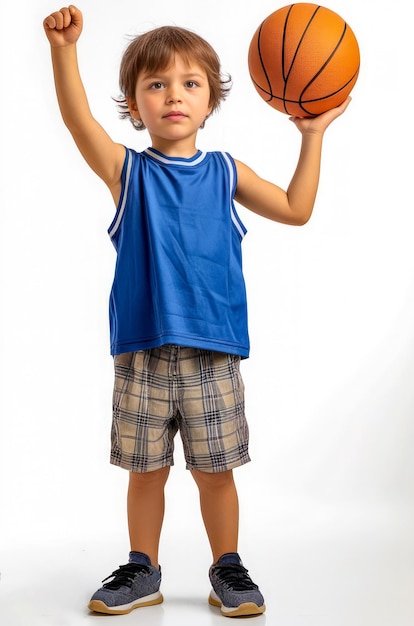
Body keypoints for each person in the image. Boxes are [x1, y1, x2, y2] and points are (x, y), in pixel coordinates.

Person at [43, 4, 350, 618]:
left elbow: (296, 208)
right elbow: (78, 123)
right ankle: (142, 568)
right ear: (134, 105)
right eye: (155, 84)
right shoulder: (127, 172)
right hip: (143, 348)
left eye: (190, 83)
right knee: (146, 471)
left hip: (214, 351)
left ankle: (227, 567)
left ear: (212, 101)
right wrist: (63, 51)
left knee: (215, 474)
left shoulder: (225, 172)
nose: (173, 95)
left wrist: (312, 135)